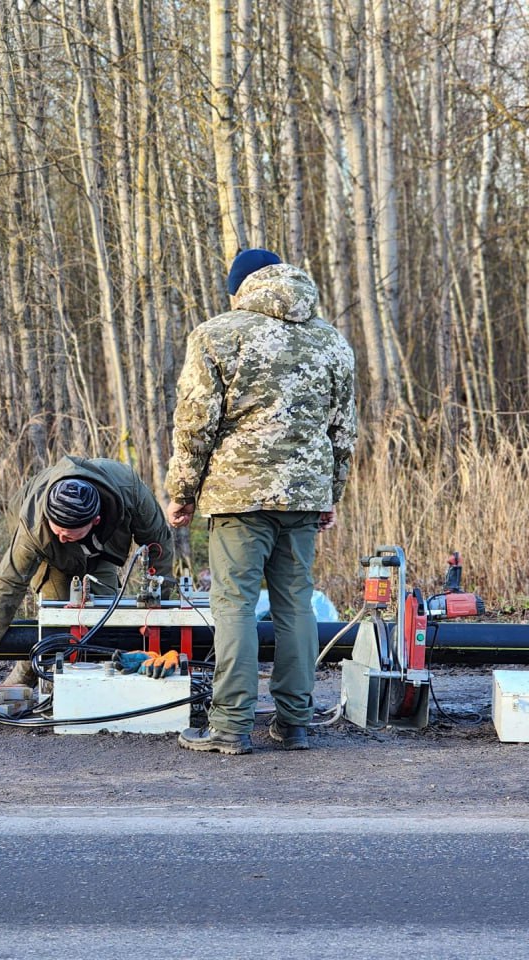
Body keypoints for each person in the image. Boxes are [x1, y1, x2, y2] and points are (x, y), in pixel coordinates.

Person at [165, 249, 356, 755]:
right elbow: (343, 430)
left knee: (235, 607)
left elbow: (194, 426)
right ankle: (295, 723)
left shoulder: (216, 335)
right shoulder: (331, 340)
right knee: (296, 605)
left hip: (237, 497)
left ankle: (229, 726)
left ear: (239, 288)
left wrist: (181, 495)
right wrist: (330, 493)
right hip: (302, 497)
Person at [0, 455, 174, 686]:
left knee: (105, 619)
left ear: (95, 520)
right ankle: (24, 684)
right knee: (55, 625)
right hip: (51, 555)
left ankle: (99, 687)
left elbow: (160, 546)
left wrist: (157, 608)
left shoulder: (130, 491)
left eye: (68, 533)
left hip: (101, 551)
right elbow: (9, 583)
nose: (61, 536)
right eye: (57, 530)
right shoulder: (37, 527)